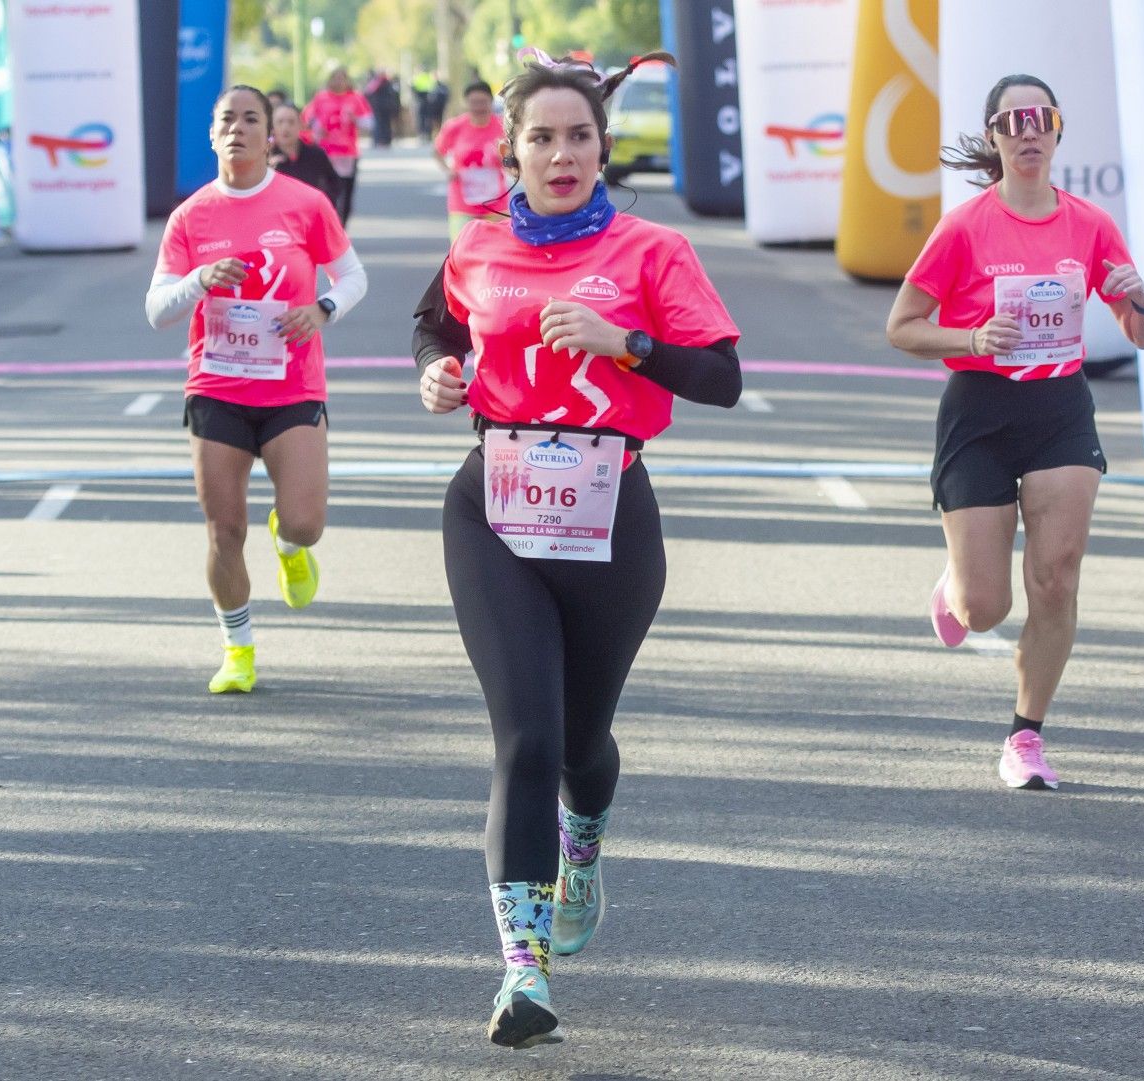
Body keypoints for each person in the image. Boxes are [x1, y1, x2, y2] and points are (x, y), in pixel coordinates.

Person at [412, 49, 738, 1049]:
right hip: (493, 506)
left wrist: (624, 343)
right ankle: (524, 970)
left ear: (603, 148)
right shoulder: (478, 242)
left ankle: (582, 842)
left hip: (609, 514)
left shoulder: (651, 251)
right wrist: (439, 373)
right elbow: (433, 326)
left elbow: (721, 378)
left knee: (581, 745)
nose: (562, 154)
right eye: (542, 138)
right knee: (527, 739)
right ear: (511, 151)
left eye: (579, 137)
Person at [884, 74, 1144, 790]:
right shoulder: (964, 227)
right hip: (979, 410)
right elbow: (902, 327)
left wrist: (1141, 300)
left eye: (1040, 117)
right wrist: (973, 338)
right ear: (995, 137)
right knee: (985, 608)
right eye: (1012, 121)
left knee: (1057, 576)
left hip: (1059, 408)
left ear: (1057, 129)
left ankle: (1025, 735)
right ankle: (958, 582)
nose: (1028, 130)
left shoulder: (1090, 225)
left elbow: (1143, 332)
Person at [146, 84, 369, 694]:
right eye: (227, 120)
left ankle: (290, 546)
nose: (238, 129)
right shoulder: (190, 216)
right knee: (224, 531)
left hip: (292, 386)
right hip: (216, 387)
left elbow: (352, 277)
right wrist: (199, 279)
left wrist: (322, 309)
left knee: (305, 523)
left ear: (270, 135)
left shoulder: (305, 203)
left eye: (251, 119)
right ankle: (237, 651)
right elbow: (157, 310)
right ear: (212, 134)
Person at [433, 80, 507, 242]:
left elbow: (515, 157)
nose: (478, 107)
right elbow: (437, 152)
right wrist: (448, 171)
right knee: (463, 248)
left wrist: (504, 159)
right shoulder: (455, 127)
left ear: (491, 102)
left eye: (483, 102)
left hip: (496, 202)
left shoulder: (503, 126)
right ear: (466, 103)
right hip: (462, 202)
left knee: (496, 248)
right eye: (474, 102)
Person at [302, 68, 373, 226]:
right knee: (327, 191)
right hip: (325, 152)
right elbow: (308, 119)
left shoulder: (355, 98)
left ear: (347, 81)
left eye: (342, 78)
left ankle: (342, 226)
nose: (338, 82)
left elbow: (369, 123)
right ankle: (328, 224)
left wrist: (355, 119)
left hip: (347, 153)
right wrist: (317, 128)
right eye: (335, 78)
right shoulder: (321, 98)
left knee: (346, 193)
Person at [270, 102, 342, 210]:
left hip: (310, 212)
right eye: (280, 122)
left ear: (301, 125)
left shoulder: (316, 154)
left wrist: (323, 204)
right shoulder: (264, 157)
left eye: (291, 122)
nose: (285, 127)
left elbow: (334, 183)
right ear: (272, 127)